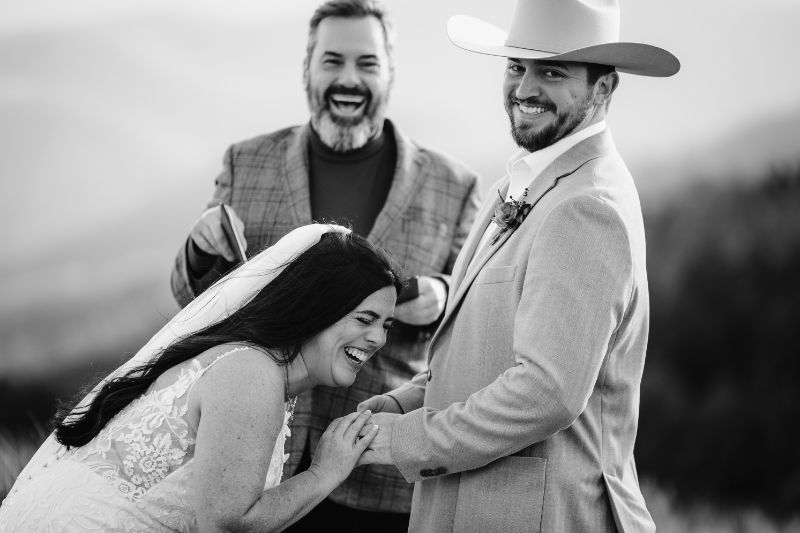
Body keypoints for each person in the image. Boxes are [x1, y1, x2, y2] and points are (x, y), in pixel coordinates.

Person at [358, 1, 681, 532]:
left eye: (552, 72)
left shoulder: (588, 207)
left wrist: (407, 439)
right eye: (516, 66)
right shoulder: (512, 187)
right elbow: (478, 356)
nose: (525, 88)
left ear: (603, 87)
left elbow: (545, 392)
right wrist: (400, 405)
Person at [169, 1, 480, 530]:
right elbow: (189, 296)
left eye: (367, 63)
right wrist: (200, 251)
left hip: (380, 471)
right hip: (255, 461)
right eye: (333, 61)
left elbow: (471, 311)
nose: (349, 78)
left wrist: (444, 295)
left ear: (390, 74)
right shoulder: (246, 162)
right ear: (307, 69)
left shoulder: (455, 185)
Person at [0, 225, 403, 532]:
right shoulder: (251, 373)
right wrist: (324, 473)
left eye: (385, 325)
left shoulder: (253, 365)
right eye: (364, 319)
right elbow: (229, 524)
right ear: (316, 308)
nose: (378, 339)